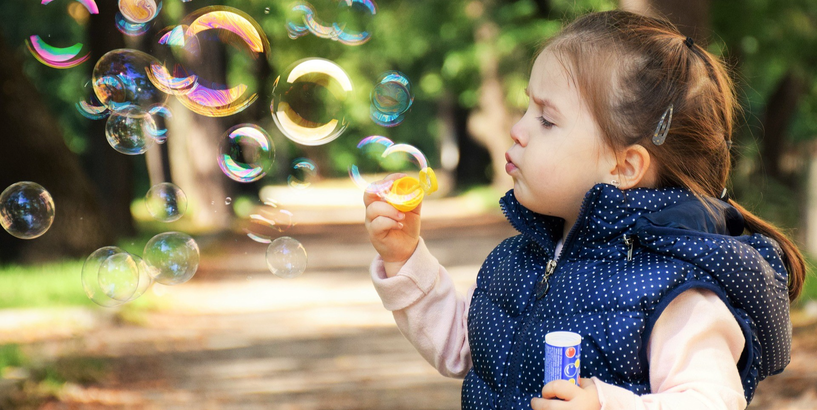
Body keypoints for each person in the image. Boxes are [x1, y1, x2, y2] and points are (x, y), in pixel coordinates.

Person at [363, 9, 805, 410]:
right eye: (526, 106)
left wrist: (607, 404)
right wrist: (405, 259)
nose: (517, 130)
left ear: (623, 165)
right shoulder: (520, 259)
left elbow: (711, 400)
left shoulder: (676, 288)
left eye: (546, 119)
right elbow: (466, 347)